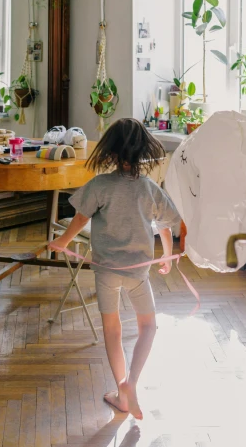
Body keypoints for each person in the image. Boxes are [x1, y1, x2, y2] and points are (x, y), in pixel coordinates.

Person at [48, 118, 181, 420]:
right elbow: (166, 222)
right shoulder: (148, 188)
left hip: (106, 272)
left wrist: (61, 241)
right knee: (148, 326)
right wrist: (167, 255)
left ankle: (122, 390)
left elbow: (80, 219)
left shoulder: (100, 186)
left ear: (110, 150)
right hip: (138, 273)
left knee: (112, 329)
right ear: (142, 151)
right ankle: (131, 383)